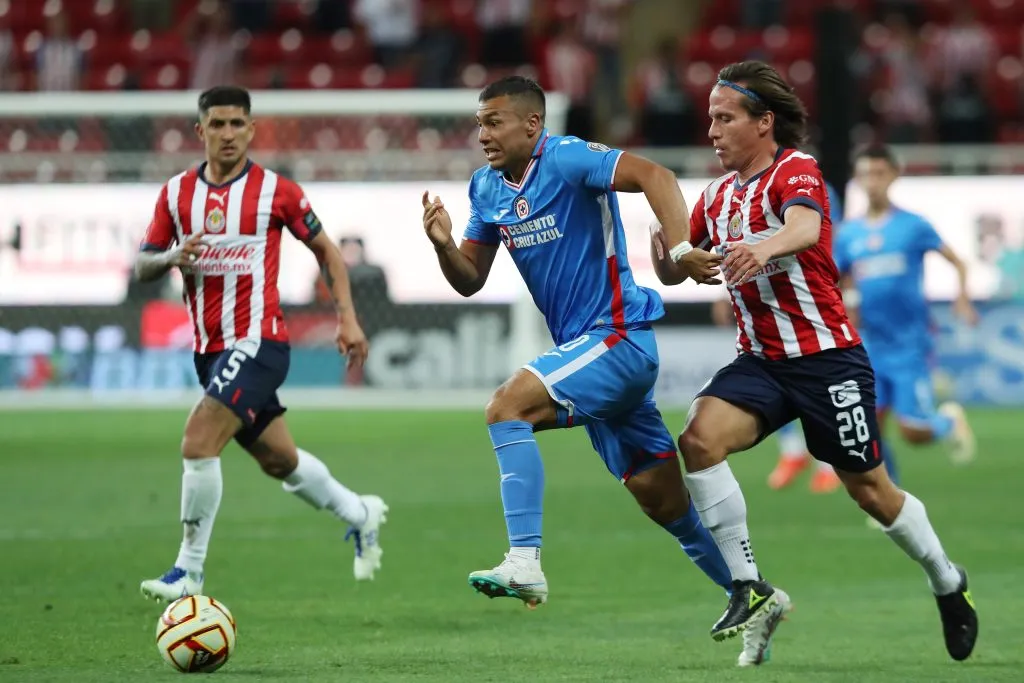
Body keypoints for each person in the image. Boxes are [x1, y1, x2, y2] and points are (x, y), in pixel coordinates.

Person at [422, 75, 785, 666]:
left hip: (617, 339)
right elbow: (470, 279)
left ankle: (525, 560)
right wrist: (442, 245)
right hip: (589, 358)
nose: (481, 133)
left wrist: (683, 242)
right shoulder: (485, 189)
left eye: (493, 121)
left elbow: (655, 177)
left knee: (504, 408)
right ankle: (751, 593)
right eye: (479, 122)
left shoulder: (566, 158)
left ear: (532, 124)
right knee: (661, 501)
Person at [651, 61, 977, 662]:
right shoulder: (716, 196)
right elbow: (676, 269)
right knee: (698, 441)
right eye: (710, 120)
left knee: (872, 492)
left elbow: (803, 229)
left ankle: (946, 580)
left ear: (764, 122)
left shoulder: (796, 170)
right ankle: (750, 586)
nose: (713, 131)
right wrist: (664, 246)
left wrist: (760, 247)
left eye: (725, 119)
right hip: (761, 362)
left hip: (828, 360)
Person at [134, 86, 387, 602]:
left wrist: (348, 320)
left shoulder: (278, 192)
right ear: (200, 131)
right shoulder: (176, 194)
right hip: (209, 352)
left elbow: (328, 252)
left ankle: (189, 569)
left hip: (259, 341)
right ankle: (361, 512)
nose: (228, 134)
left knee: (198, 440)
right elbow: (142, 264)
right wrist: (170, 258)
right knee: (279, 460)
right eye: (218, 124)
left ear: (251, 129)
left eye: (238, 124)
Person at [835, 144, 977, 489]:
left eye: (879, 173)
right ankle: (890, 496)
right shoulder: (848, 234)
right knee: (870, 428)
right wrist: (846, 313)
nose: (872, 182)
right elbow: (839, 281)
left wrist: (961, 298)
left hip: (909, 343)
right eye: (866, 174)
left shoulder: (913, 226)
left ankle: (947, 421)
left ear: (894, 176)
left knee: (913, 431)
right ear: (857, 179)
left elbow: (957, 261)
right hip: (869, 343)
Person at [761, 180, 846, 493]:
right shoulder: (752, 189)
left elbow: (824, 245)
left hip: (812, 307)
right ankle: (793, 452)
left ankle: (827, 462)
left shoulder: (811, 186)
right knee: (772, 377)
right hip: (769, 303)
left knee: (817, 383)